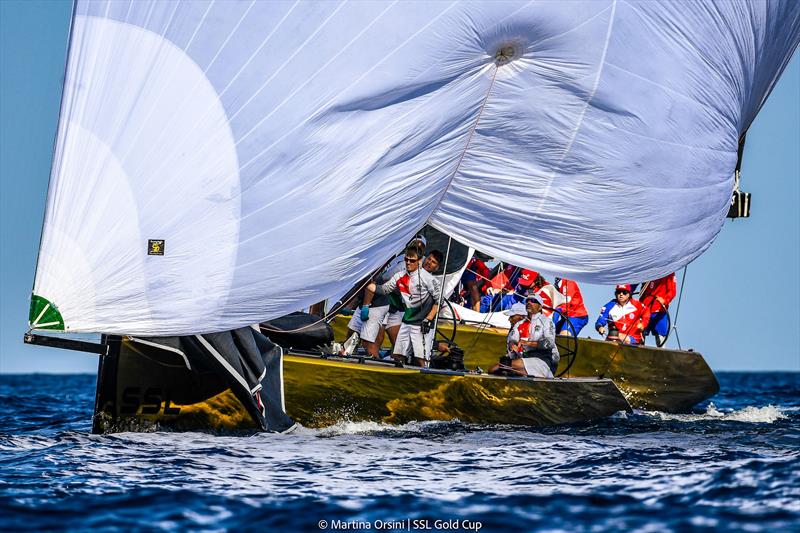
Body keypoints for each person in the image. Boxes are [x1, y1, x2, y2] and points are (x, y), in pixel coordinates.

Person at [366, 244, 441, 367]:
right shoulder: (399, 276)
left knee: (421, 359)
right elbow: (385, 289)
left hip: (423, 323)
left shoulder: (429, 279)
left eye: (412, 261)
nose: (408, 263)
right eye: (406, 259)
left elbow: (439, 302)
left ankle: (424, 379)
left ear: (419, 261)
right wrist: (369, 286)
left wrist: (428, 319)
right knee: (397, 356)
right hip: (407, 320)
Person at [359, 235, 427, 354]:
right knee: (376, 340)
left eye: (420, 247)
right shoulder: (400, 258)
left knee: (398, 342)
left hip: (397, 307)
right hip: (384, 303)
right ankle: (376, 358)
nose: (417, 248)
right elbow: (383, 278)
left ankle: (390, 359)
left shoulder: (423, 264)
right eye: (415, 245)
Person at [639, 272, 677, 345]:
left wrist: (665, 300)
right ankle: (636, 352)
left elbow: (672, 291)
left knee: (661, 337)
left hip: (659, 310)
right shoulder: (648, 270)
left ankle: (661, 354)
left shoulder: (669, 271)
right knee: (640, 334)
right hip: (645, 309)